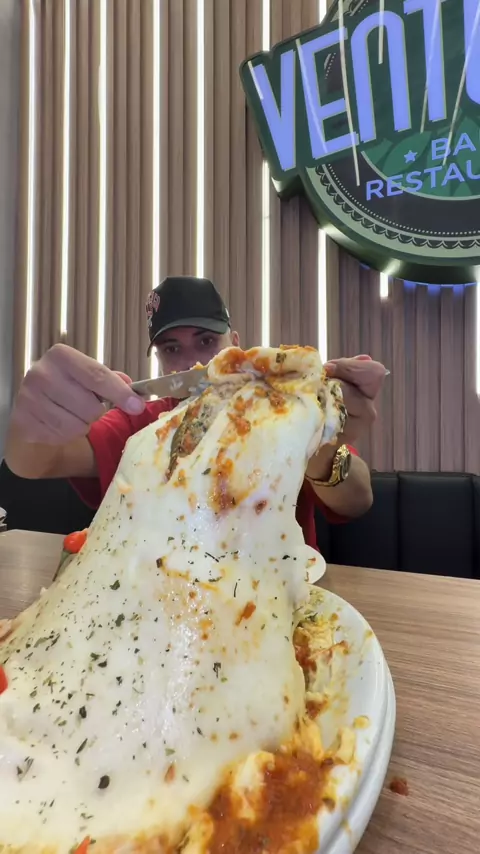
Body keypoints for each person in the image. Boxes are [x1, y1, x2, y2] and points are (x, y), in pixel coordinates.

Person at [5, 276, 386, 550]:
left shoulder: (283, 410)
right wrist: (30, 427)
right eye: (172, 349)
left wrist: (316, 442)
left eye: (206, 341)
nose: (190, 362)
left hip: (279, 597)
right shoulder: (143, 421)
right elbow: (37, 462)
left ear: (235, 343)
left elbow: (359, 499)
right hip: (164, 608)